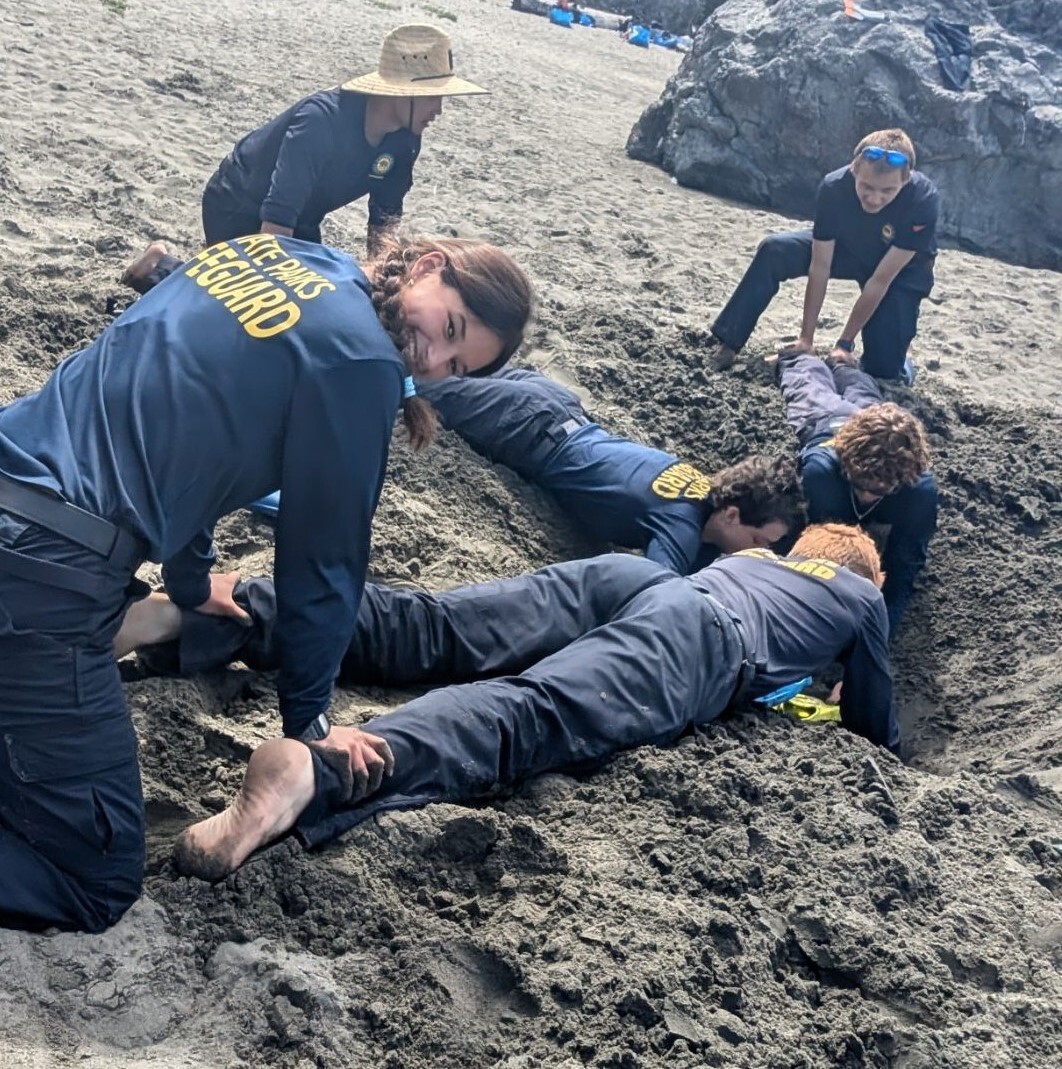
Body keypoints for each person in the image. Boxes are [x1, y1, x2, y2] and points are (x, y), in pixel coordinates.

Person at [0, 231, 532, 933]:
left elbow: (175, 422)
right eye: (450, 329)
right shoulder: (361, 364)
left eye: (454, 363)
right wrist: (308, 727)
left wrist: (190, 587)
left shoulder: (272, 253)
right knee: (93, 875)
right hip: (46, 568)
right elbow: (324, 562)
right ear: (429, 268)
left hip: (20, 481)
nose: (431, 359)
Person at [154, 523, 898, 881]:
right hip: (702, 641)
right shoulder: (862, 593)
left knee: (435, 625)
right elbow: (873, 720)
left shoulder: (756, 557)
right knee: (531, 712)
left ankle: (222, 612)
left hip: (635, 579)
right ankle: (322, 772)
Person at [252, 368, 807, 572]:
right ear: (731, 513)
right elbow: (658, 587)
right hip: (528, 427)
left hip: (553, 401)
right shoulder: (682, 526)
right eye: (759, 540)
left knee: (423, 367)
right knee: (397, 381)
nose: (757, 551)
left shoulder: (698, 494)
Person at [122, 24, 486, 292]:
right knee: (250, 300)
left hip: (305, 216)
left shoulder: (406, 140)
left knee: (321, 292)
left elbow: (383, 226)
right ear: (399, 93)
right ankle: (159, 267)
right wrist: (269, 282)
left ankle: (204, 268)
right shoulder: (321, 121)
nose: (438, 110)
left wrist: (381, 287)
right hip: (240, 201)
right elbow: (275, 225)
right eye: (431, 97)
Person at [707, 129, 939, 382]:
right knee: (774, 250)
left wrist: (845, 344)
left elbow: (880, 281)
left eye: (887, 191)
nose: (874, 198)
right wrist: (806, 340)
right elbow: (820, 266)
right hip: (850, 247)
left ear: (905, 181)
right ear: (854, 169)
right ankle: (729, 343)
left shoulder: (922, 200)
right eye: (866, 187)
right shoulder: (833, 187)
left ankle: (903, 356)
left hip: (900, 271)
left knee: (884, 371)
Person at [778, 351, 937, 635]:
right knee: (807, 385)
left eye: (879, 491)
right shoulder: (822, 474)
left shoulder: (917, 490)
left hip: (870, 427)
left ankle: (843, 363)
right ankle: (803, 354)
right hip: (827, 423)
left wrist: (879, 632)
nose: (867, 497)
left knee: (866, 397)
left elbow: (906, 565)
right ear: (847, 468)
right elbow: (798, 545)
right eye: (861, 486)